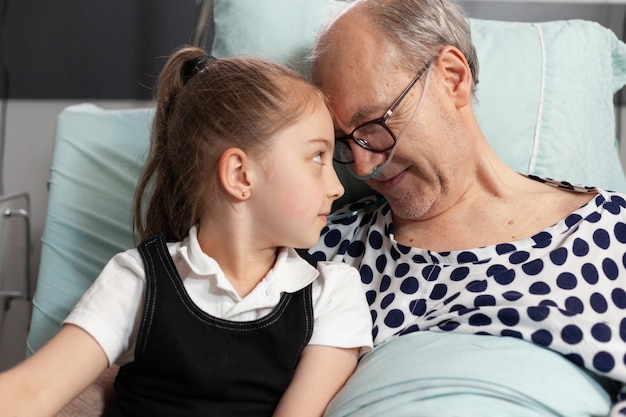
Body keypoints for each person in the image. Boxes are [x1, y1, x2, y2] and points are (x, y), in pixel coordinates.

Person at [0, 46, 372, 417]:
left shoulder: (332, 294)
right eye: (317, 157)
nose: (337, 187)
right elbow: (34, 390)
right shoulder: (137, 279)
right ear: (241, 176)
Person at [307, 0, 626, 415]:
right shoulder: (326, 248)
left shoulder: (613, 233)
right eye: (344, 144)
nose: (365, 165)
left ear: (453, 77)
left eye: (374, 126)